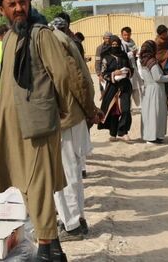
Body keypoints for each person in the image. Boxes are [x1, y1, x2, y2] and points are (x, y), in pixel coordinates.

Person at [0, 0, 97, 261]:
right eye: (12, 4)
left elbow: (62, 76)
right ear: (2, 10)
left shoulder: (41, 34)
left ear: (29, 4)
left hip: (38, 123)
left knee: (38, 183)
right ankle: (54, 249)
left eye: (23, 2)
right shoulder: (10, 38)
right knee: (25, 183)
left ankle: (46, 246)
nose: (19, 8)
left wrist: (61, 112)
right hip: (14, 125)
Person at [50, 24, 100, 242]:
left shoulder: (53, 43)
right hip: (72, 117)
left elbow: (76, 81)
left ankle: (72, 226)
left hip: (65, 120)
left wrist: (90, 110)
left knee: (65, 176)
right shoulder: (63, 39)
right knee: (72, 174)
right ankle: (76, 219)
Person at [98, 36, 134, 143]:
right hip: (112, 87)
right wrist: (114, 73)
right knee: (114, 111)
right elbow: (104, 73)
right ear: (110, 45)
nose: (115, 46)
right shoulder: (106, 57)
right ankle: (113, 133)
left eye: (117, 44)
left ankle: (123, 132)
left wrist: (127, 71)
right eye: (113, 44)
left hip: (125, 86)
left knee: (125, 109)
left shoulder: (124, 55)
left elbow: (131, 69)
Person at [139, 40, 168, 143]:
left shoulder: (143, 61)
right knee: (155, 113)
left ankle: (151, 136)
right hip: (155, 90)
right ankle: (154, 137)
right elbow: (157, 77)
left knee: (150, 114)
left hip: (148, 90)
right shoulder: (152, 62)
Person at [120, 26, 142, 107]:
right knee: (127, 89)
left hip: (133, 67)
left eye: (128, 35)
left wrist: (136, 54)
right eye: (125, 35)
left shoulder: (132, 42)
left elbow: (134, 54)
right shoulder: (121, 44)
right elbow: (122, 56)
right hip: (125, 69)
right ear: (122, 35)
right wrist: (131, 53)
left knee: (135, 88)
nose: (127, 37)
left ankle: (135, 106)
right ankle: (128, 107)